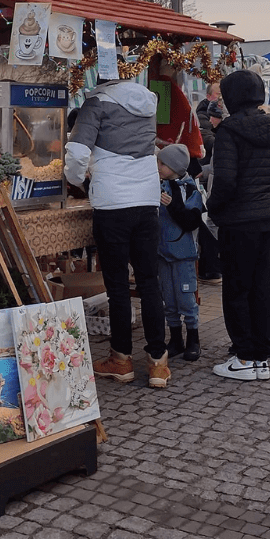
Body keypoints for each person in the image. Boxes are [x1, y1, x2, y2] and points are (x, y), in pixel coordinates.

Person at [65, 79, 170, 388]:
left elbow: (77, 152)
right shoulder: (146, 102)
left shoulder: (95, 104)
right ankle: (158, 363)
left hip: (112, 202)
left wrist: (76, 179)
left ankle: (121, 359)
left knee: (118, 287)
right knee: (150, 282)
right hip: (147, 198)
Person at [206, 70, 270, 382]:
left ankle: (244, 357)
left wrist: (214, 206)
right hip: (264, 220)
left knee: (236, 290)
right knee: (261, 288)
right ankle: (261, 353)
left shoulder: (229, 131)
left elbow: (226, 180)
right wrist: (262, 194)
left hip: (237, 222)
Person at [154, 143, 203, 361]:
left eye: (162, 163)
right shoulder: (159, 186)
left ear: (174, 166)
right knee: (169, 300)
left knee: (186, 299)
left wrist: (172, 205)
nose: (158, 166)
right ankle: (175, 339)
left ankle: (193, 338)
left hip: (183, 255)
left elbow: (191, 221)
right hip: (163, 253)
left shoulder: (189, 189)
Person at [195, 88, 224, 285]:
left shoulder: (223, 137)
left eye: (214, 117)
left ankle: (214, 269)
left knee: (213, 227)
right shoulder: (220, 134)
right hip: (217, 186)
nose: (211, 120)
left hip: (219, 191)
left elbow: (220, 169)